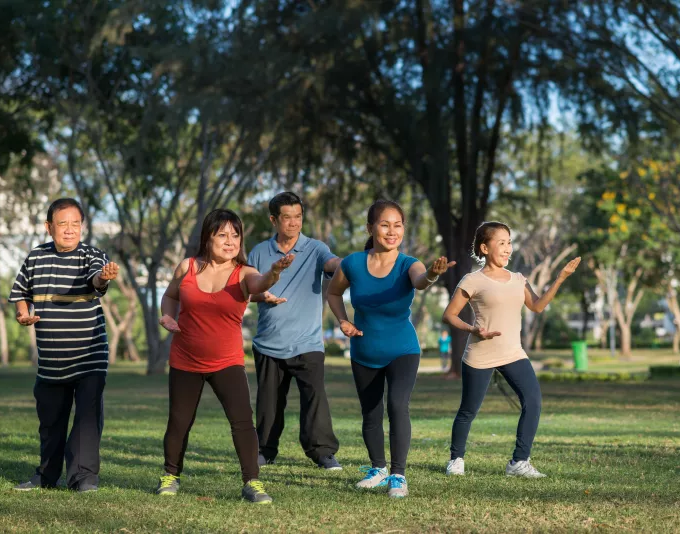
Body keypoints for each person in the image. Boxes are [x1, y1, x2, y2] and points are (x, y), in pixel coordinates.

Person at [155, 209, 293, 504]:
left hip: (226, 361)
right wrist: (167, 316)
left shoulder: (243, 273)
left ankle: (252, 482)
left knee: (242, 421)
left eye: (235, 235)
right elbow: (169, 296)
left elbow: (260, 284)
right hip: (185, 359)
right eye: (222, 234)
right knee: (179, 421)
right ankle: (170, 475)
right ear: (208, 237)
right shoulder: (187, 267)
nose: (230, 241)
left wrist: (274, 273)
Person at [326, 199, 455, 498]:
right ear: (370, 228)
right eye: (384, 224)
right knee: (370, 412)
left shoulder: (410, 264)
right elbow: (333, 292)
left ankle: (398, 475)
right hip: (364, 350)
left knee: (397, 405)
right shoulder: (353, 263)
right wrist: (343, 321)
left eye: (397, 225)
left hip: (402, 349)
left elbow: (421, 281)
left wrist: (433, 274)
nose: (391, 231)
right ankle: (378, 470)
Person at [441, 221, 580, 478]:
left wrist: (560, 278)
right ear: (484, 247)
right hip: (480, 354)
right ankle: (456, 458)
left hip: (513, 352)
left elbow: (537, 306)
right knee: (468, 410)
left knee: (533, 401)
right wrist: (474, 330)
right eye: (501, 243)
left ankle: (519, 462)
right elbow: (449, 315)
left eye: (510, 242)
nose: (508, 248)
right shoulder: (472, 280)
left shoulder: (518, 279)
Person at [9, 198, 119, 493]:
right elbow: (21, 292)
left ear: (82, 226)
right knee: (50, 422)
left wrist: (103, 278)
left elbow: (95, 279)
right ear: (49, 227)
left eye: (76, 224)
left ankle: (83, 478)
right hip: (51, 360)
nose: (70, 230)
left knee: (86, 419)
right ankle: (46, 476)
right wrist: (22, 313)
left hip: (89, 356)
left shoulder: (92, 255)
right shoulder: (35, 258)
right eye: (63, 223)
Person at [247, 192, 343, 470]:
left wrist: (346, 264)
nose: (293, 223)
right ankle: (264, 450)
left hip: (308, 342)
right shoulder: (259, 252)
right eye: (287, 217)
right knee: (269, 403)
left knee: (315, 398)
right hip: (268, 343)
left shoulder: (315, 248)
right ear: (274, 220)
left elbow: (331, 263)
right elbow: (246, 291)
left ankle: (322, 452)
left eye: (298, 216)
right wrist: (263, 296)